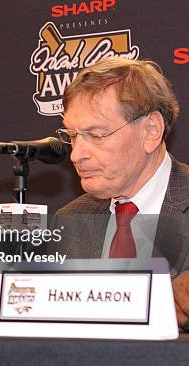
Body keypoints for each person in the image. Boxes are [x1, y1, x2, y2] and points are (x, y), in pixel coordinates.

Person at [53, 57, 189, 330]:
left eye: (96, 134)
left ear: (151, 131)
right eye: (73, 135)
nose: (77, 154)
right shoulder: (69, 220)